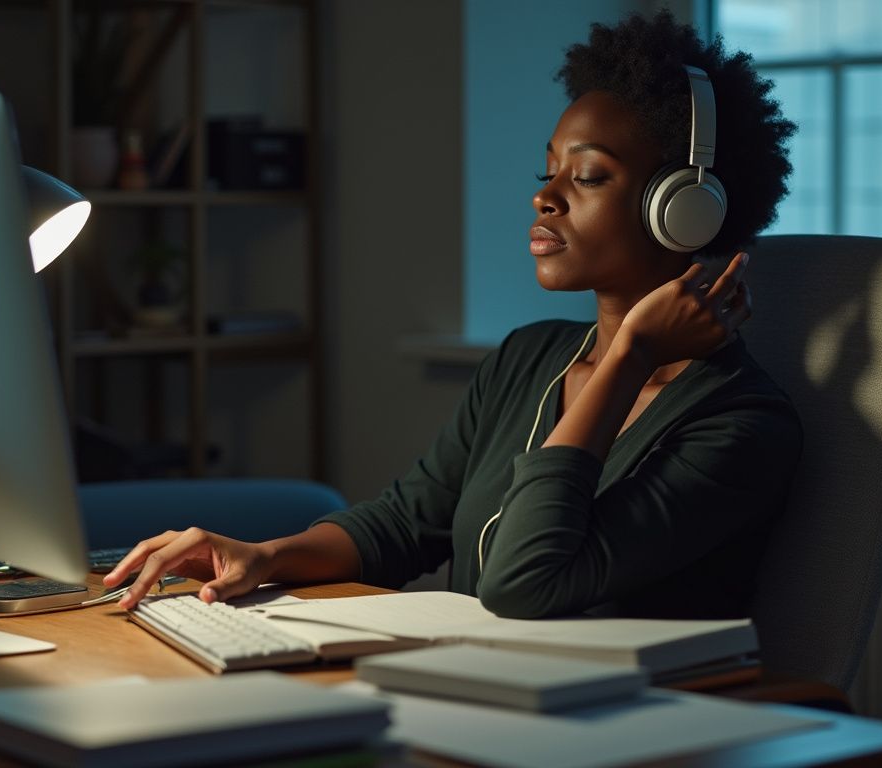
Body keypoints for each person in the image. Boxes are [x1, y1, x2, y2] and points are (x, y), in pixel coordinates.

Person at [106, 10, 799, 620]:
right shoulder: (529, 357)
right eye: (545, 173)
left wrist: (630, 357)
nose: (545, 199)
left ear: (684, 208)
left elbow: (526, 584)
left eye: (586, 177)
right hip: (475, 699)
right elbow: (406, 525)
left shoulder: (740, 427)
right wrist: (263, 555)